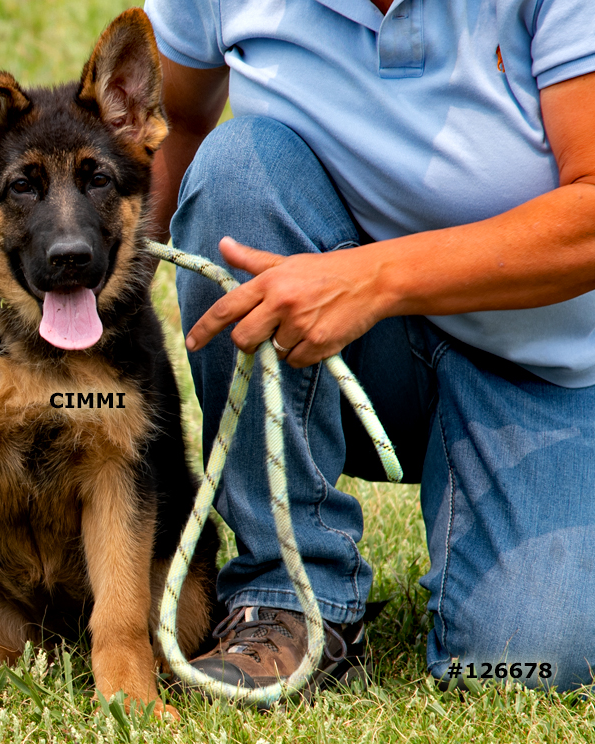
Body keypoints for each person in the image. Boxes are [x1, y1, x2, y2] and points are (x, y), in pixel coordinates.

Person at [143, 0, 595, 695]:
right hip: (353, 348)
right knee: (237, 170)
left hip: (548, 365)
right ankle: (288, 600)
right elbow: (169, 120)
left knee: (528, 663)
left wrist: (374, 279)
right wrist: (80, 312)